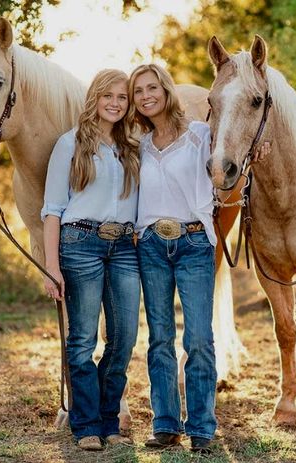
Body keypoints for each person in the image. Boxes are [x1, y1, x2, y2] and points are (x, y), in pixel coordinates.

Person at [41, 69, 140, 451]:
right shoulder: (70, 144)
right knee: (82, 340)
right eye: (108, 96)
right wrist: (51, 267)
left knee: (124, 338)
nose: (115, 103)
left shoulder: (131, 146)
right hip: (79, 243)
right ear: (95, 98)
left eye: (122, 98)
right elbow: (52, 210)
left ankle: (108, 415)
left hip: (124, 247)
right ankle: (86, 425)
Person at [128, 63, 219, 453]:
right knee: (159, 338)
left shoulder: (200, 135)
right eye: (138, 92)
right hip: (151, 245)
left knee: (198, 338)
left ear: (165, 90)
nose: (146, 96)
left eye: (152, 87)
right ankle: (165, 424)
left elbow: (230, 165)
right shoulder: (141, 145)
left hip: (193, 243)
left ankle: (201, 427)